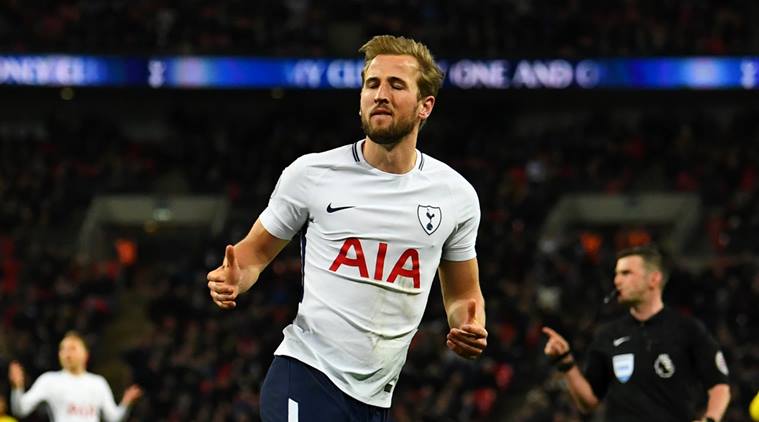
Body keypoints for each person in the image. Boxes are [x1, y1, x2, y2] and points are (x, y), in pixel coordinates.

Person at [207, 34, 487, 421]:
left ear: (426, 106)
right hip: (306, 373)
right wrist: (234, 277)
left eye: (395, 85)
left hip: (375, 400)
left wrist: (468, 325)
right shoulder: (312, 174)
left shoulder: (455, 196)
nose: (380, 94)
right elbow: (252, 255)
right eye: (372, 84)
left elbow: (462, 295)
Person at [543, 244, 731, 422]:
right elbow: (589, 402)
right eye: (616, 274)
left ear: (653, 279)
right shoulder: (608, 335)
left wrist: (710, 419)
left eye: (626, 273)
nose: (617, 281)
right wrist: (566, 362)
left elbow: (719, 385)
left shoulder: (687, 329)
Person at [8, 331, 142, 421]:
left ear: (85, 354)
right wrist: (17, 388)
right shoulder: (49, 380)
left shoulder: (98, 383)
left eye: (72, 348)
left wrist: (126, 404)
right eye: (62, 349)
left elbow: (113, 418)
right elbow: (20, 410)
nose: (67, 353)